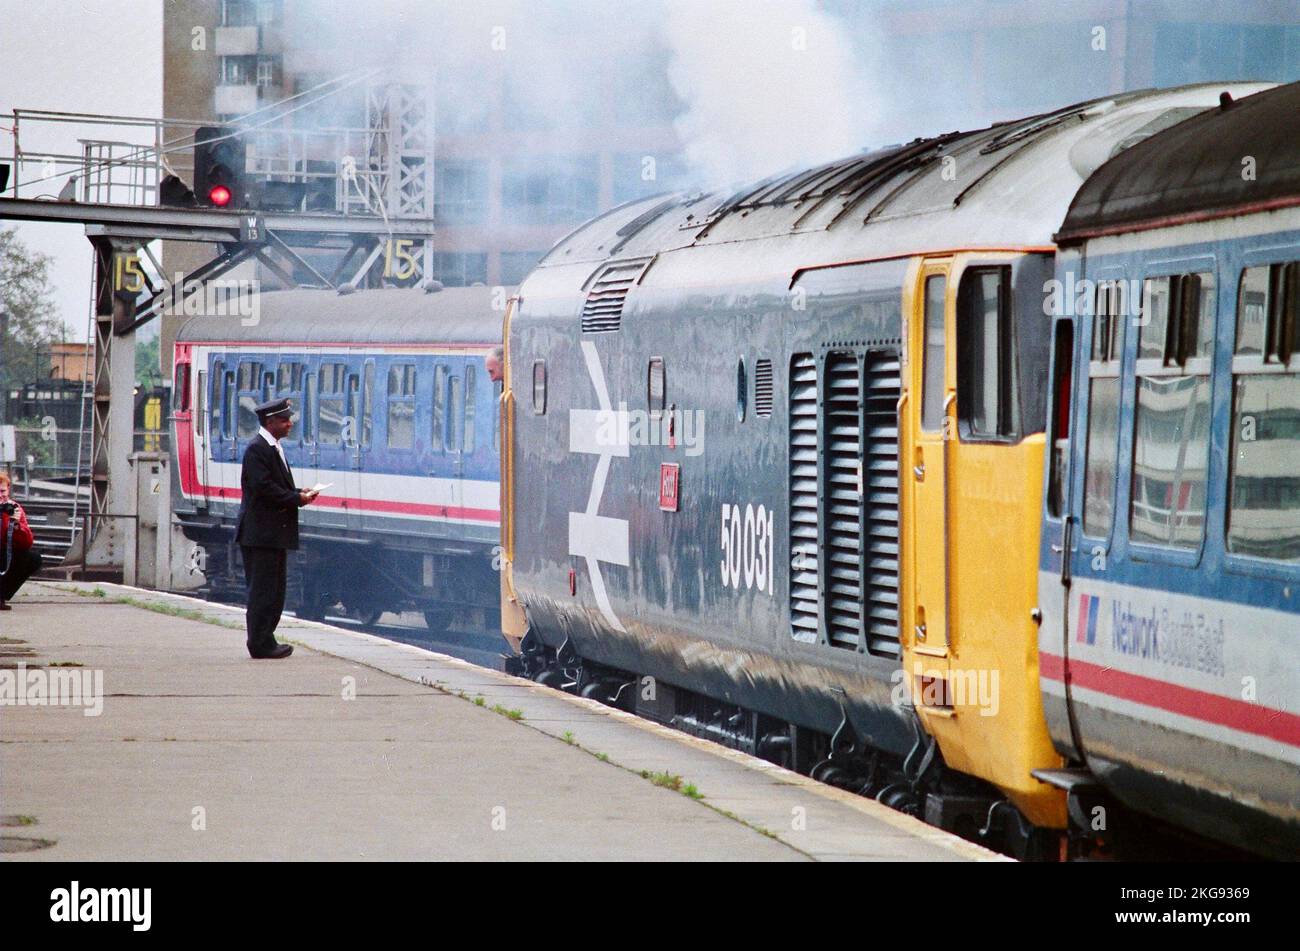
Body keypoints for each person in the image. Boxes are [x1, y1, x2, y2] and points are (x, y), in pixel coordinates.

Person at [235, 398, 319, 658]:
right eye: (284, 420)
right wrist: (296, 499)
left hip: (272, 534)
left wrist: (297, 493)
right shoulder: (257, 450)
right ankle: (259, 644)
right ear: (270, 422)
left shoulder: (272, 448)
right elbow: (264, 489)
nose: (289, 423)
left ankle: (266, 639)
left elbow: (275, 486)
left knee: (274, 592)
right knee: (263, 591)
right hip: (261, 535)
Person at [0, 471, 42, 610]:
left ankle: (1, 596)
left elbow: (27, 544)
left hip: (5, 553)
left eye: (2, 491)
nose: (0, 495)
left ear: (8, 489)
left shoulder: (13, 508)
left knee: (33, 558)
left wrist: (17, 525)